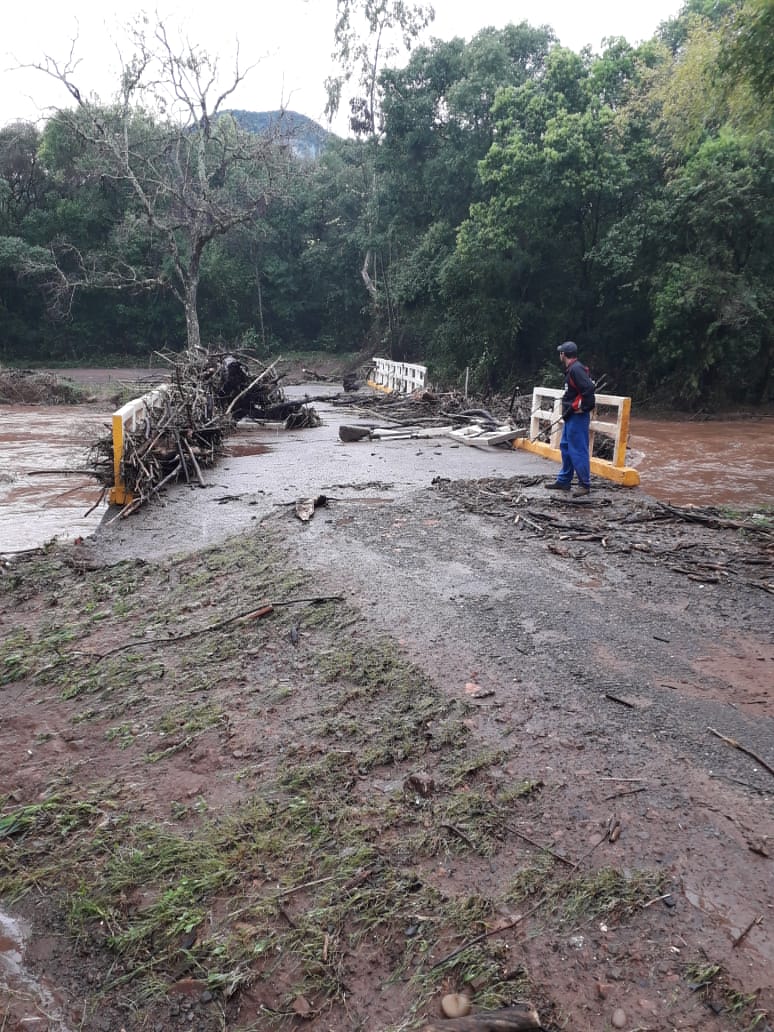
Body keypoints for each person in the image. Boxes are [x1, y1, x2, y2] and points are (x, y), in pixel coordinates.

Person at [545, 341, 595, 496]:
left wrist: (583, 407)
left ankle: (584, 484)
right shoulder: (571, 369)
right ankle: (564, 480)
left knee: (578, 449)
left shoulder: (576, 369)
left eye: (560, 353)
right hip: (570, 415)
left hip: (577, 416)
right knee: (566, 447)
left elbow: (589, 388)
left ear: (563, 354)